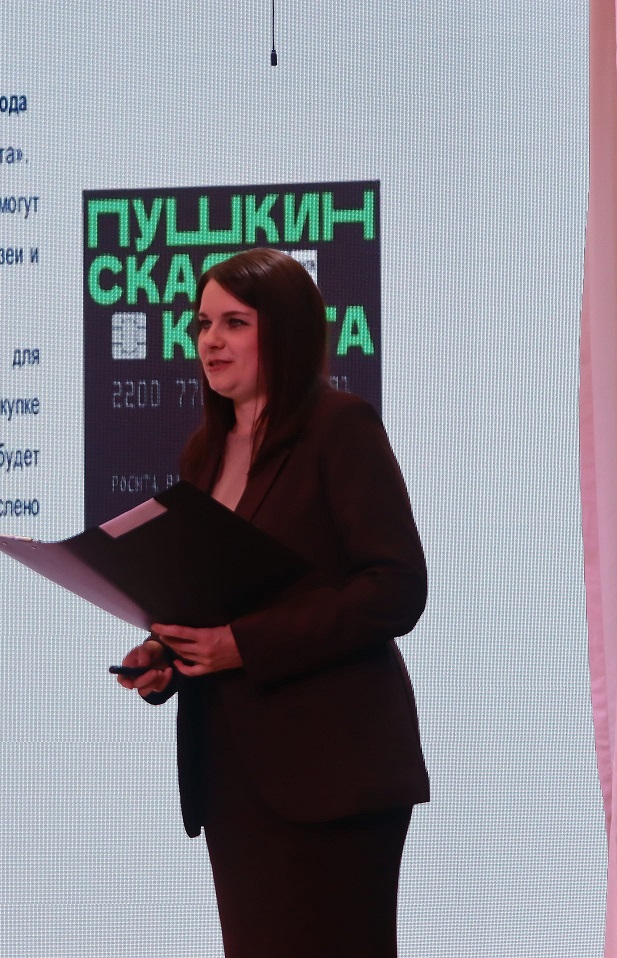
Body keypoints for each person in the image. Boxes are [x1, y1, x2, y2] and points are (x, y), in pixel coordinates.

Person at [116, 248, 429, 957]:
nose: (211, 341)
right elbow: (220, 594)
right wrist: (167, 652)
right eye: (202, 324)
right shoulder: (204, 451)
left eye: (234, 322)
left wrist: (243, 646)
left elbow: (395, 587)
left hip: (333, 771)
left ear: (284, 332)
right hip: (234, 776)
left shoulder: (339, 427)